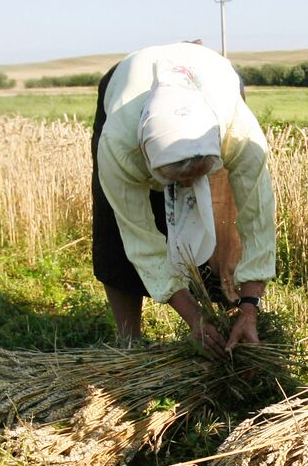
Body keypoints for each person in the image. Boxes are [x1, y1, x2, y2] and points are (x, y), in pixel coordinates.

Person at [91, 42, 276, 355]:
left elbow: (257, 219)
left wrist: (250, 307)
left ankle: (232, 321)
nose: (188, 186)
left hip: (212, 83)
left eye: (197, 176)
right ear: (145, 154)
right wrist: (193, 317)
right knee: (114, 235)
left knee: (222, 223)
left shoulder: (237, 130)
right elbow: (138, 237)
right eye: (177, 179)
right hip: (126, 86)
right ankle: (130, 344)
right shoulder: (118, 145)